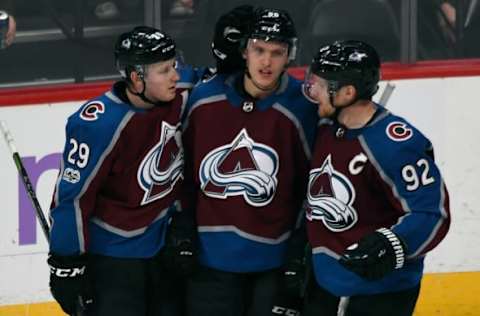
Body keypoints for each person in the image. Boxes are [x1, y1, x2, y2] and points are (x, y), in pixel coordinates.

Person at [181, 7, 318, 316]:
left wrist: (299, 251)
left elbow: (313, 186)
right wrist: (183, 225)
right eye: (258, 50)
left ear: (289, 55)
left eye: (276, 52)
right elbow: (183, 175)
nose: (266, 62)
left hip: (275, 263)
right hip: (209, 263)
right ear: (244, 51)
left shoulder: (303, 107)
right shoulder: (203, 101)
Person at [302, 40, 451, 316]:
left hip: (381, 293)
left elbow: (431, 212)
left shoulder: (393, 144)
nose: (313, 91)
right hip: (327, 282)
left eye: (321, 85)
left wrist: (392, 242)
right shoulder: (325, 127)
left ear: (347, 92)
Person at [47, 26, 186, 316]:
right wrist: (65, 262)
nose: (176, 75)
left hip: (164, 253)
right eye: (164, 70)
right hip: (114, 262)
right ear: (137, 78)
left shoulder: (180, 94)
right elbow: (73, 199)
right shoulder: (98, 124)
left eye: (174, 65)